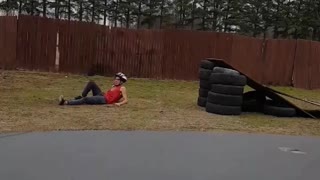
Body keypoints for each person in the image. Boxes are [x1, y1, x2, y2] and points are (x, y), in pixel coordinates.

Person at [58, 72, 128, 107]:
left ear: (121, 81)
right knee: (91, 83)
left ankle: (66, 102)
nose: (115, 80)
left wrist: (119, 104)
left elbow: (126, 100)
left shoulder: (122, 88)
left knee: (86, 99)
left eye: (117, 79)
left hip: (104, 99)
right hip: (102, 95)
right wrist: (116, 100)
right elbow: (116, 96)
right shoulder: (114, 86)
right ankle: (82, 97)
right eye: (115, 78)